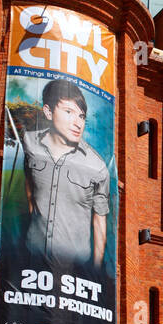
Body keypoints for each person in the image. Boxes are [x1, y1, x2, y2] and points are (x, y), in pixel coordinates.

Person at [21, 78, 110, 278]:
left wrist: (95, 270)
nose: (78, 123)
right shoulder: (29, 142)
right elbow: (29, 183)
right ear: (48, 112)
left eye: (82, 116)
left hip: (76, 268)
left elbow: (99, 220)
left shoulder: (97, 166)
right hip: (31, 257)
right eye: (69, 112)